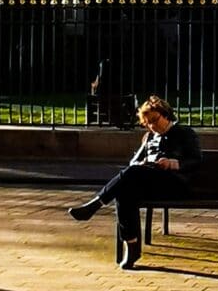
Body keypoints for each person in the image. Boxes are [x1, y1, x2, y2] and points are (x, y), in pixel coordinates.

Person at [68, 97, 202, 253]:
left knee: (128, 179)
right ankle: (131, 245)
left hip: (175, 183)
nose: (152, 126)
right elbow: (133, 163)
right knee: (124, 191)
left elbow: (196, 160)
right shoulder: (149, 137)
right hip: (149, 181)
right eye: (147, 123)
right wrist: (143, 162)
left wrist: (172, 163)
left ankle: (95, 205)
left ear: (165, 114)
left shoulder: (184, 132)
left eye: (154, 120)